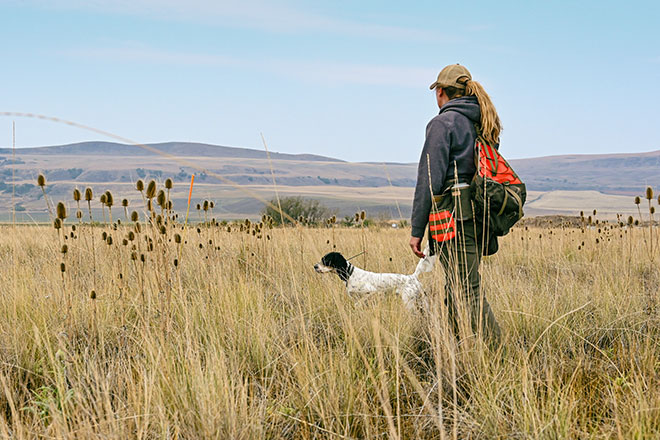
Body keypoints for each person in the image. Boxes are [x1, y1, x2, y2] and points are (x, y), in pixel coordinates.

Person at [409, 64, 501, 344]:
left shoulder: (442, 124)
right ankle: (450, 348)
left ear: (441, 92)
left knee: (467, 288)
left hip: (452, 218)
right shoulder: (482, 121)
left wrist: (416, 228)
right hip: (478, 216)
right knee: (455, 285)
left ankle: (500, 356)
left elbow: (429, 178)